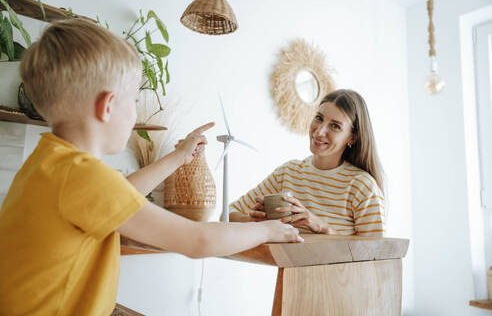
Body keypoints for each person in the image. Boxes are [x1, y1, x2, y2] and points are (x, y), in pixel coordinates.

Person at [0, 19, 303, 316]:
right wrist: (267, 229)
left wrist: (178, 157)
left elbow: (123, 193)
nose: (135, 113)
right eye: (134, 99)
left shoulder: (51, 162)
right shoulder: (83, 176)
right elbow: (198, 240)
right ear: (108, 106)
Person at [229, 89, 386, 237]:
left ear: (352, 137)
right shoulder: (288, 173)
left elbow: (376, 255)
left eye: (335, 126)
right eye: (319, 118)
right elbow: (228, 213)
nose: (319, 132)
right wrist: (253, 222)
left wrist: (322, 228)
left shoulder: (362, 186)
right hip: (290, 267)